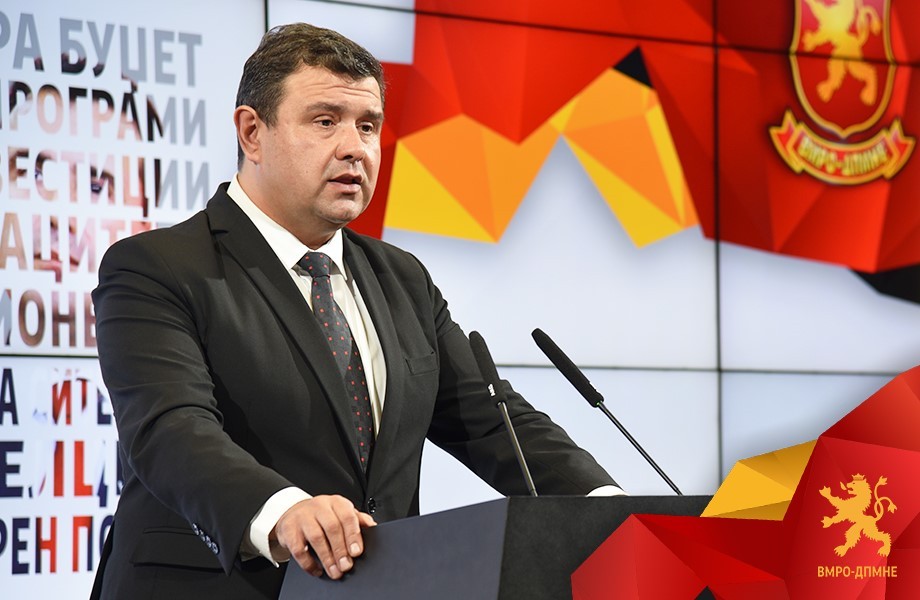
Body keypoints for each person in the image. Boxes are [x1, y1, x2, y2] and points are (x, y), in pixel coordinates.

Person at [90, 23, 621, 599]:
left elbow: (490, 420)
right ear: (251, 133)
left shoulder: (402, 278)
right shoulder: (157, 267)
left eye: (367, 126)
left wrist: (611, 510)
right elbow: (171, 429)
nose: (354, 148)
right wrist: (282, 510)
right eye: (325, 121)